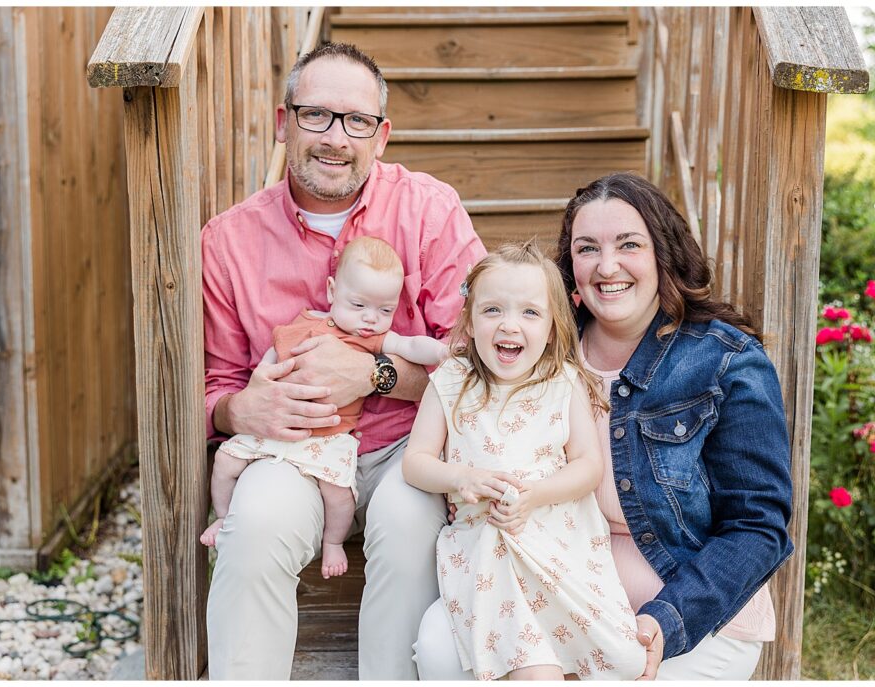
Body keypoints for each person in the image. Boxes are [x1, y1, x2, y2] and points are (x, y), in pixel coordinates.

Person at [413, 172, 794, 680]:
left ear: (663, 252)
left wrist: (670, 618)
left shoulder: (724, 361)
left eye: (628, 244)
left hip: (682, 612)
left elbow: (758, 526)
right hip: (547, 587)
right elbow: (457, 391)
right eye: (587, 248)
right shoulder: (538, 345)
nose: (607, 266)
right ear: (569, 266)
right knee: (438, 643)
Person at [202, 42, 486, 679]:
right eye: (316, 115)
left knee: (411, 525)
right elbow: (212, 384)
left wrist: (376, 375)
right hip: (289, 452)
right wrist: (238, 410)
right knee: (256, 524)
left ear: (380, 136)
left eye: (356, 120)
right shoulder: (227, 242)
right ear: (284, 123)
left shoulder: (429, 211)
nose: (336, 138)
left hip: (404, 447)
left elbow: (481, 361)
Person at [403, 243, 647, 680]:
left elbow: (588, 465)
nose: (509, 325)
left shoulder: (564, 381)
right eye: (492, 310)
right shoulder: (452, 380)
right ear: (470, 321)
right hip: (490, 546)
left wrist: (536, 494)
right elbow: (416, 461)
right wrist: (460, 477)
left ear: (552, 328)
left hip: (558, 541)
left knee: (624, 660)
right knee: (534, 669)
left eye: (530, 313)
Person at [200, 236, 449, 581]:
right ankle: (223, 517)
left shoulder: (371, 339)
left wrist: (441, 352)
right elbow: (271, 360)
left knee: (339, 494)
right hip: (282, 432)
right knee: (226, 461)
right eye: (358, 305)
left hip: (330, 438)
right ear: (332, 291)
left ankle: (333, 542)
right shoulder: (301, 325)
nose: (370, 318)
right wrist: (259, 389)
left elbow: (411, 346)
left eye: (385, 311)